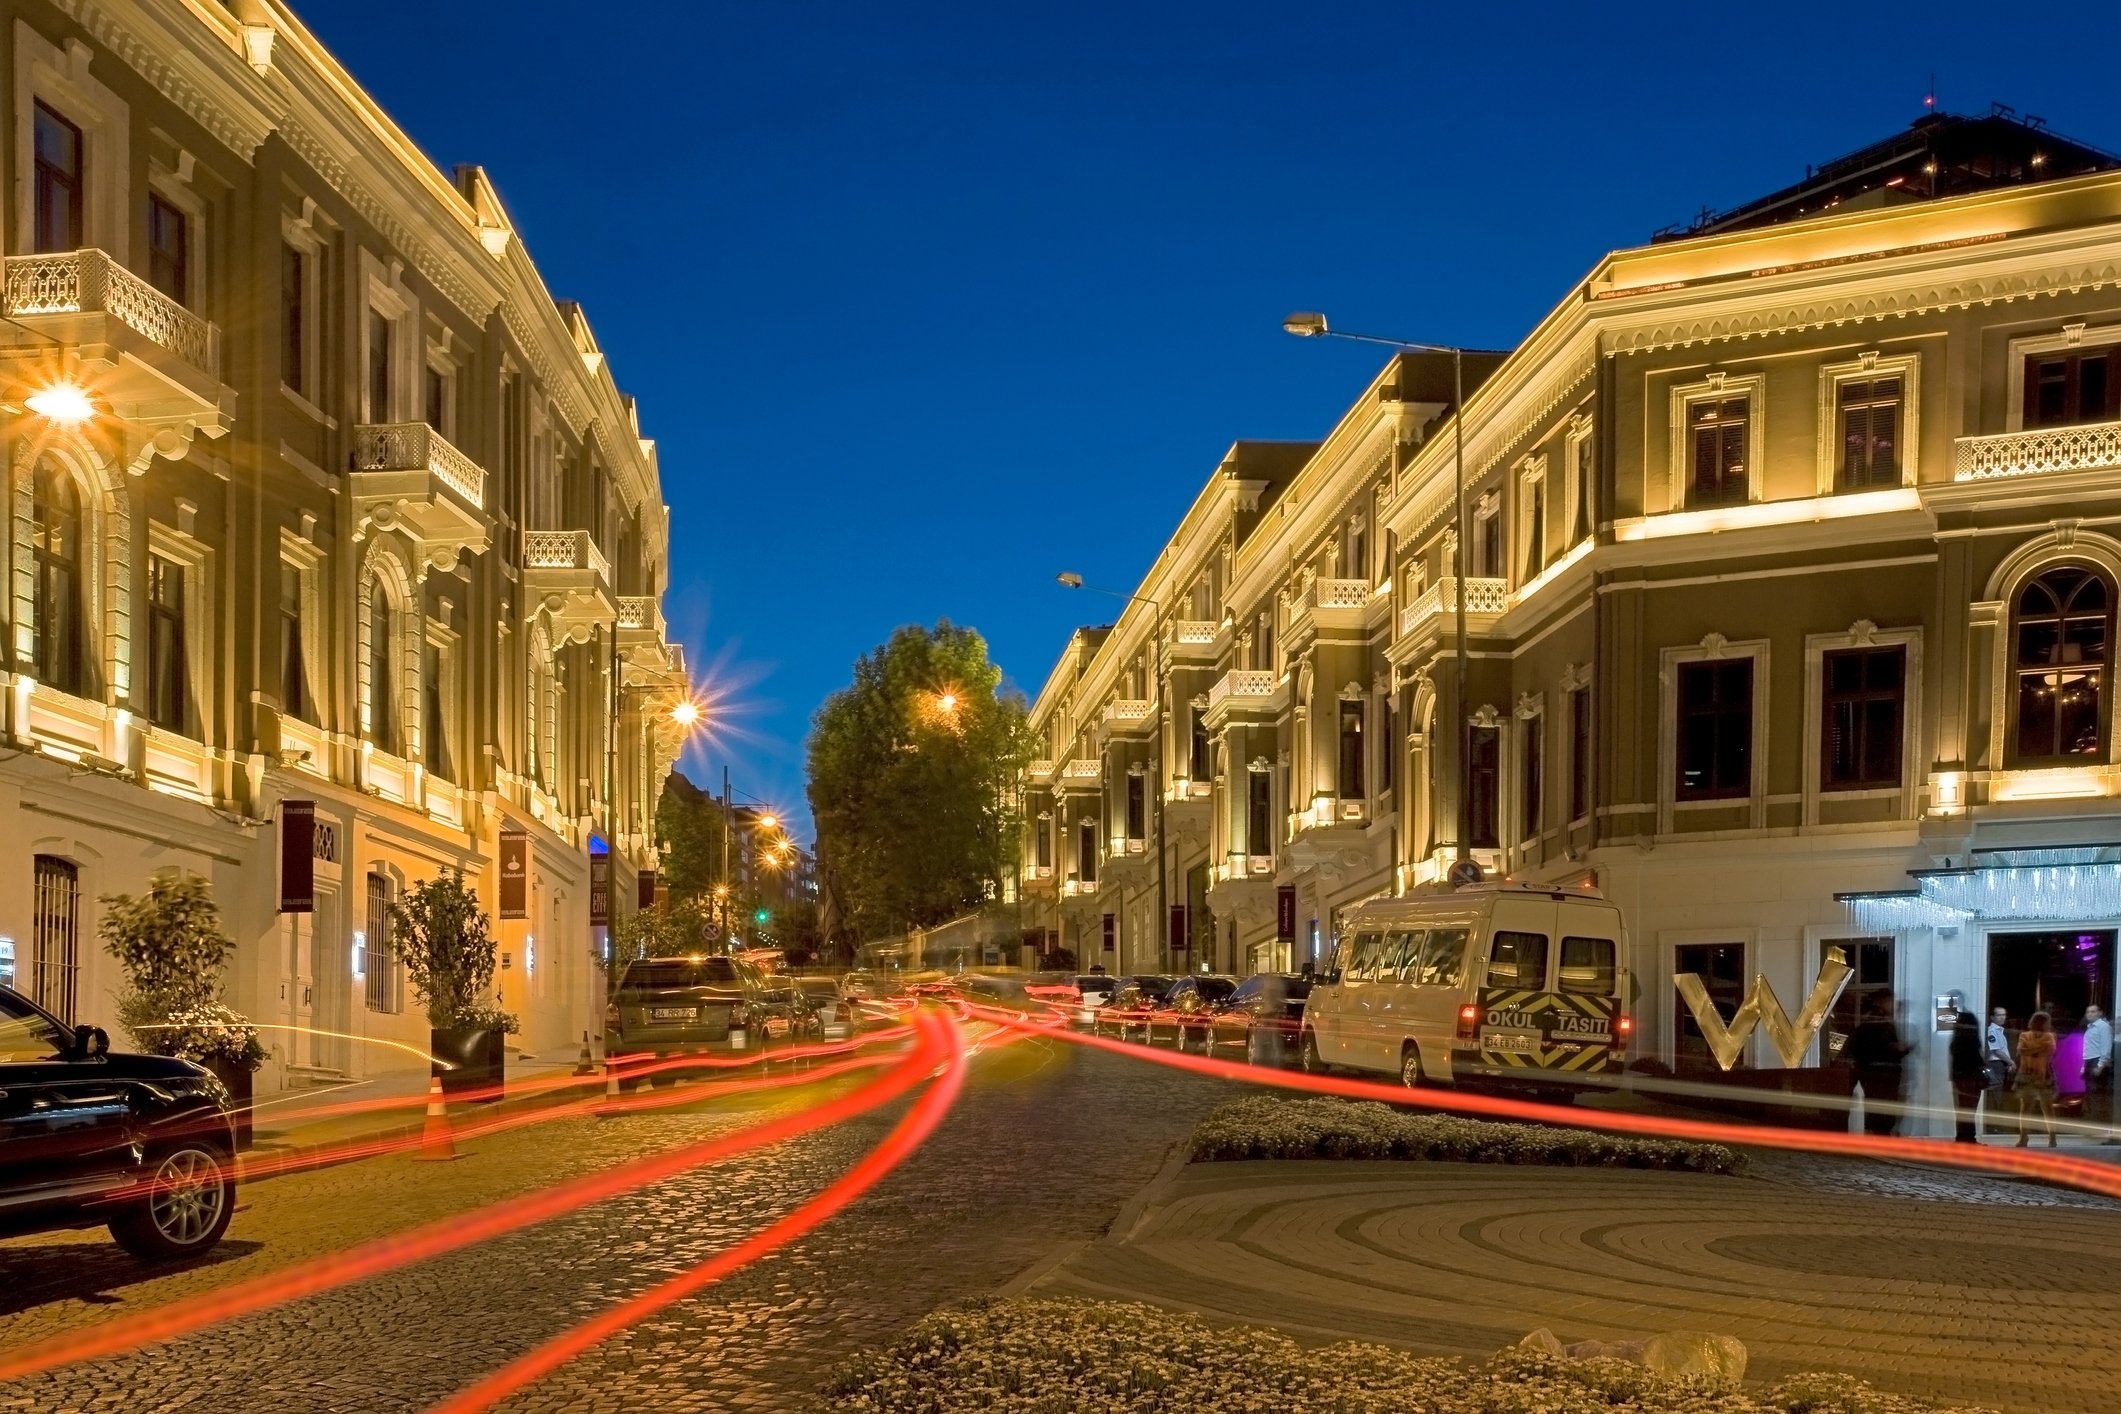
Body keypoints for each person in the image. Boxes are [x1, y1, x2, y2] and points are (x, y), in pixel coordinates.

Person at [1847, 991, 1913, 1137]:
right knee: (1881, 1105)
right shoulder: (1877, 1021)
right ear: (1882, 1002)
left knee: (1880, 1105)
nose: (1893, 1004)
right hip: (1879, 1073)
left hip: (1880, 1072)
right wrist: (1896, 1048)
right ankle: (1881, 1135)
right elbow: (1876, 1046)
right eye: (1890, 1001)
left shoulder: (1878, 1020)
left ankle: (1880, 1134)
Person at [2015, 1010, 2060, 1148]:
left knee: (2040, 1108)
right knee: (2037, 1108)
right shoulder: (2031, 1035)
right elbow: (2021, 1050)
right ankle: (2027, 1138)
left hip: (2036, 1075)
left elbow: (2050, 1050)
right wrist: (2039, 1050)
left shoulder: (2046, 1036)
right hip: (2035, 1075)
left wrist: (2031, 1050)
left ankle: (2048, 1138)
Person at [1948, 1009, 1985, 1144]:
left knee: (1962, 1109)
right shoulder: (1972, 1040)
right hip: (1971, 1078)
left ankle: (1962, 1137)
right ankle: (1969, 1138)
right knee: (1970, 1110)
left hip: (1959, 1077)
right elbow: (1976, 1060)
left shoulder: (1956, 1041)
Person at [2084, 1003, 2114, 1140]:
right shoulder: (2090, 1027)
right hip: (2090, 1061)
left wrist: (2100, 1065)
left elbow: (2106, 1048)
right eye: (2088, 1012)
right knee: (2091, 1096)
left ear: (2100, 1013)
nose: (2090, 1014)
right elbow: (2088, 1048)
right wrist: (2083, 1066)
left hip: (2097, 1062)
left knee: (2098, 1097)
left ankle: (2102, 1130)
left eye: (2093, 1011)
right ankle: (2093, 1128)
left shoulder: (2103, 1027)